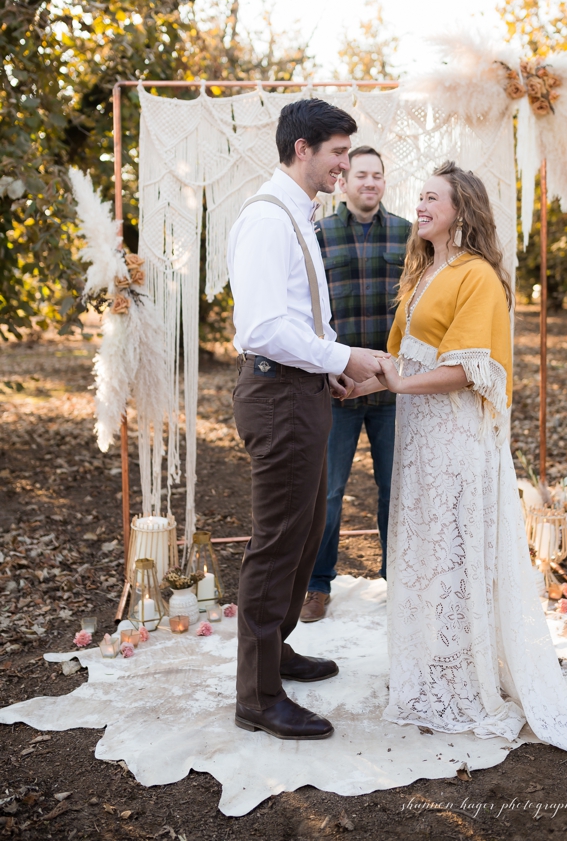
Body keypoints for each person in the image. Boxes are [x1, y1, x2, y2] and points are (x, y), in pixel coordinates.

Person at [338, 163, 567, 763]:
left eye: (431, 198)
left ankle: (462, 677)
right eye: (418, 196)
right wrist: (359, 385)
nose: (419, 205)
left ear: (461, 210)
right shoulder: (424, 270)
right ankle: (430, 666)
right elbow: (401, 357)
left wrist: (394, 388)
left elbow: (471, 372)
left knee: (454, 549)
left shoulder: (476, 277)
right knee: (422, 551)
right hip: (419, 436)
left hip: (454, 438)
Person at [227, 98, 385, 740]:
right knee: (277, 544)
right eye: (339, 154)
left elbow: (301, 317)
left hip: (304, 389)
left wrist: (331, 367)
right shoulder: (268, 220)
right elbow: (264, 327)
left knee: (304, 530)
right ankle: (258, 698)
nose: (346, 166)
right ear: (303, 150)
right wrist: (344, 354)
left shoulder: (299, 213)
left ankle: (279, 650)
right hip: (278, 395)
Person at [305, 146, 411, 621]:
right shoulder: (320, 234)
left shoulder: (410, 235)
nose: (369, 183)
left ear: (384, 182)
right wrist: (326, 366)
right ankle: (316, 584)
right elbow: (307, 308)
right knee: (328, 490)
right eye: (360, 175)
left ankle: (402, 583)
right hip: (339, 384)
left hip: (393, 386)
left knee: (397, 489)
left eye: (377, 176)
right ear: (344, 182)